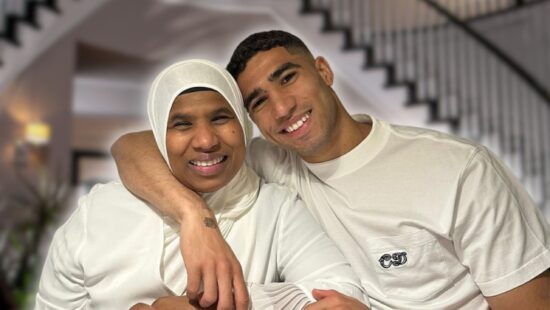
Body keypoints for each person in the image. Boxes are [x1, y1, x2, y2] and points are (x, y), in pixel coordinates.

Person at [111, 30, 550, 309]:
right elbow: (131, 148)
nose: (282, 108)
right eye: (259, 101)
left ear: (323, 71)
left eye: (288, 77)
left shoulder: (459, 169)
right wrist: (195, 219)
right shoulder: (269, 161)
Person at [35, 59, 369, 309]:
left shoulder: (276, 207)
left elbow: (342, 293)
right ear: (158, 137)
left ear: (243, 124)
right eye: (182, 124)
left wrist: (226, 303)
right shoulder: (100, 211)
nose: (206, 140)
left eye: (221, 118)